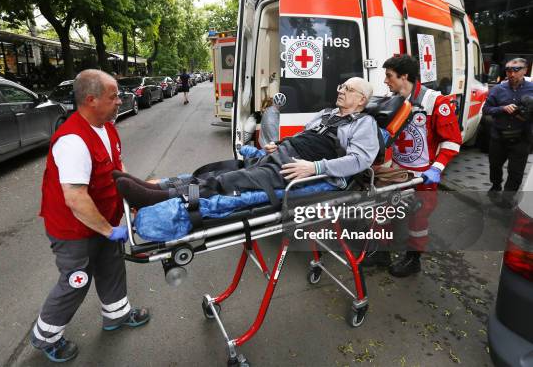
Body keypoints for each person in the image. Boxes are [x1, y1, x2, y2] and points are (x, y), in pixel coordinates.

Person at [31, 69, 150, 363]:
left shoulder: (106, 127)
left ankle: (117, 315)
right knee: (76, 280)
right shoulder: (72, 140)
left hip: (103, 221)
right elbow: (75, 198)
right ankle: (46, 337)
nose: (120, 101)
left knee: (111, 266)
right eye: (113, 97)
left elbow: (115, 173)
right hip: (73, 229)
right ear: (91, 99)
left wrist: (133, 200)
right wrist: (110, 231)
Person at [115, 77, 379, 207]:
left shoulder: (363, 124)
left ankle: (157, 197)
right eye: (341, 87)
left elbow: (360, 160)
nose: (341, 91)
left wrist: (316, 169)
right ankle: (162, 184)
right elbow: (305, 135)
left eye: (348, 89)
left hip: (302, 167)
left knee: (231, 181)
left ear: (362, 100)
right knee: (226, 169)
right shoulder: (327, 114)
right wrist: (281, 142)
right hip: (286, 153)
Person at [374, 55, 462, 277]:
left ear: (404, 76)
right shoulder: (392, 100)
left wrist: (437, 169)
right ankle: (381, 251)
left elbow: (452, 141)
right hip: (397, 170)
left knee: (418, 218)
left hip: (423, 175)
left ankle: (413, 260)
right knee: (383, 209)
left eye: (389, 76)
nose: (386, 81)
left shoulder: (436, 102)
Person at [482, 58, 533, 207]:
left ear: (525, 70)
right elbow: (486, 110)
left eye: (516, 70)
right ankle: (496, 185)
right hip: (499, 138)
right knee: (495, 166)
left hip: (522, 138)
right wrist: (502, 109)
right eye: (508, 70)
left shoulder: (531, 89)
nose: (512, 73)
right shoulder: (498, 89)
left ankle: (507, 198)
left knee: (516, 172)